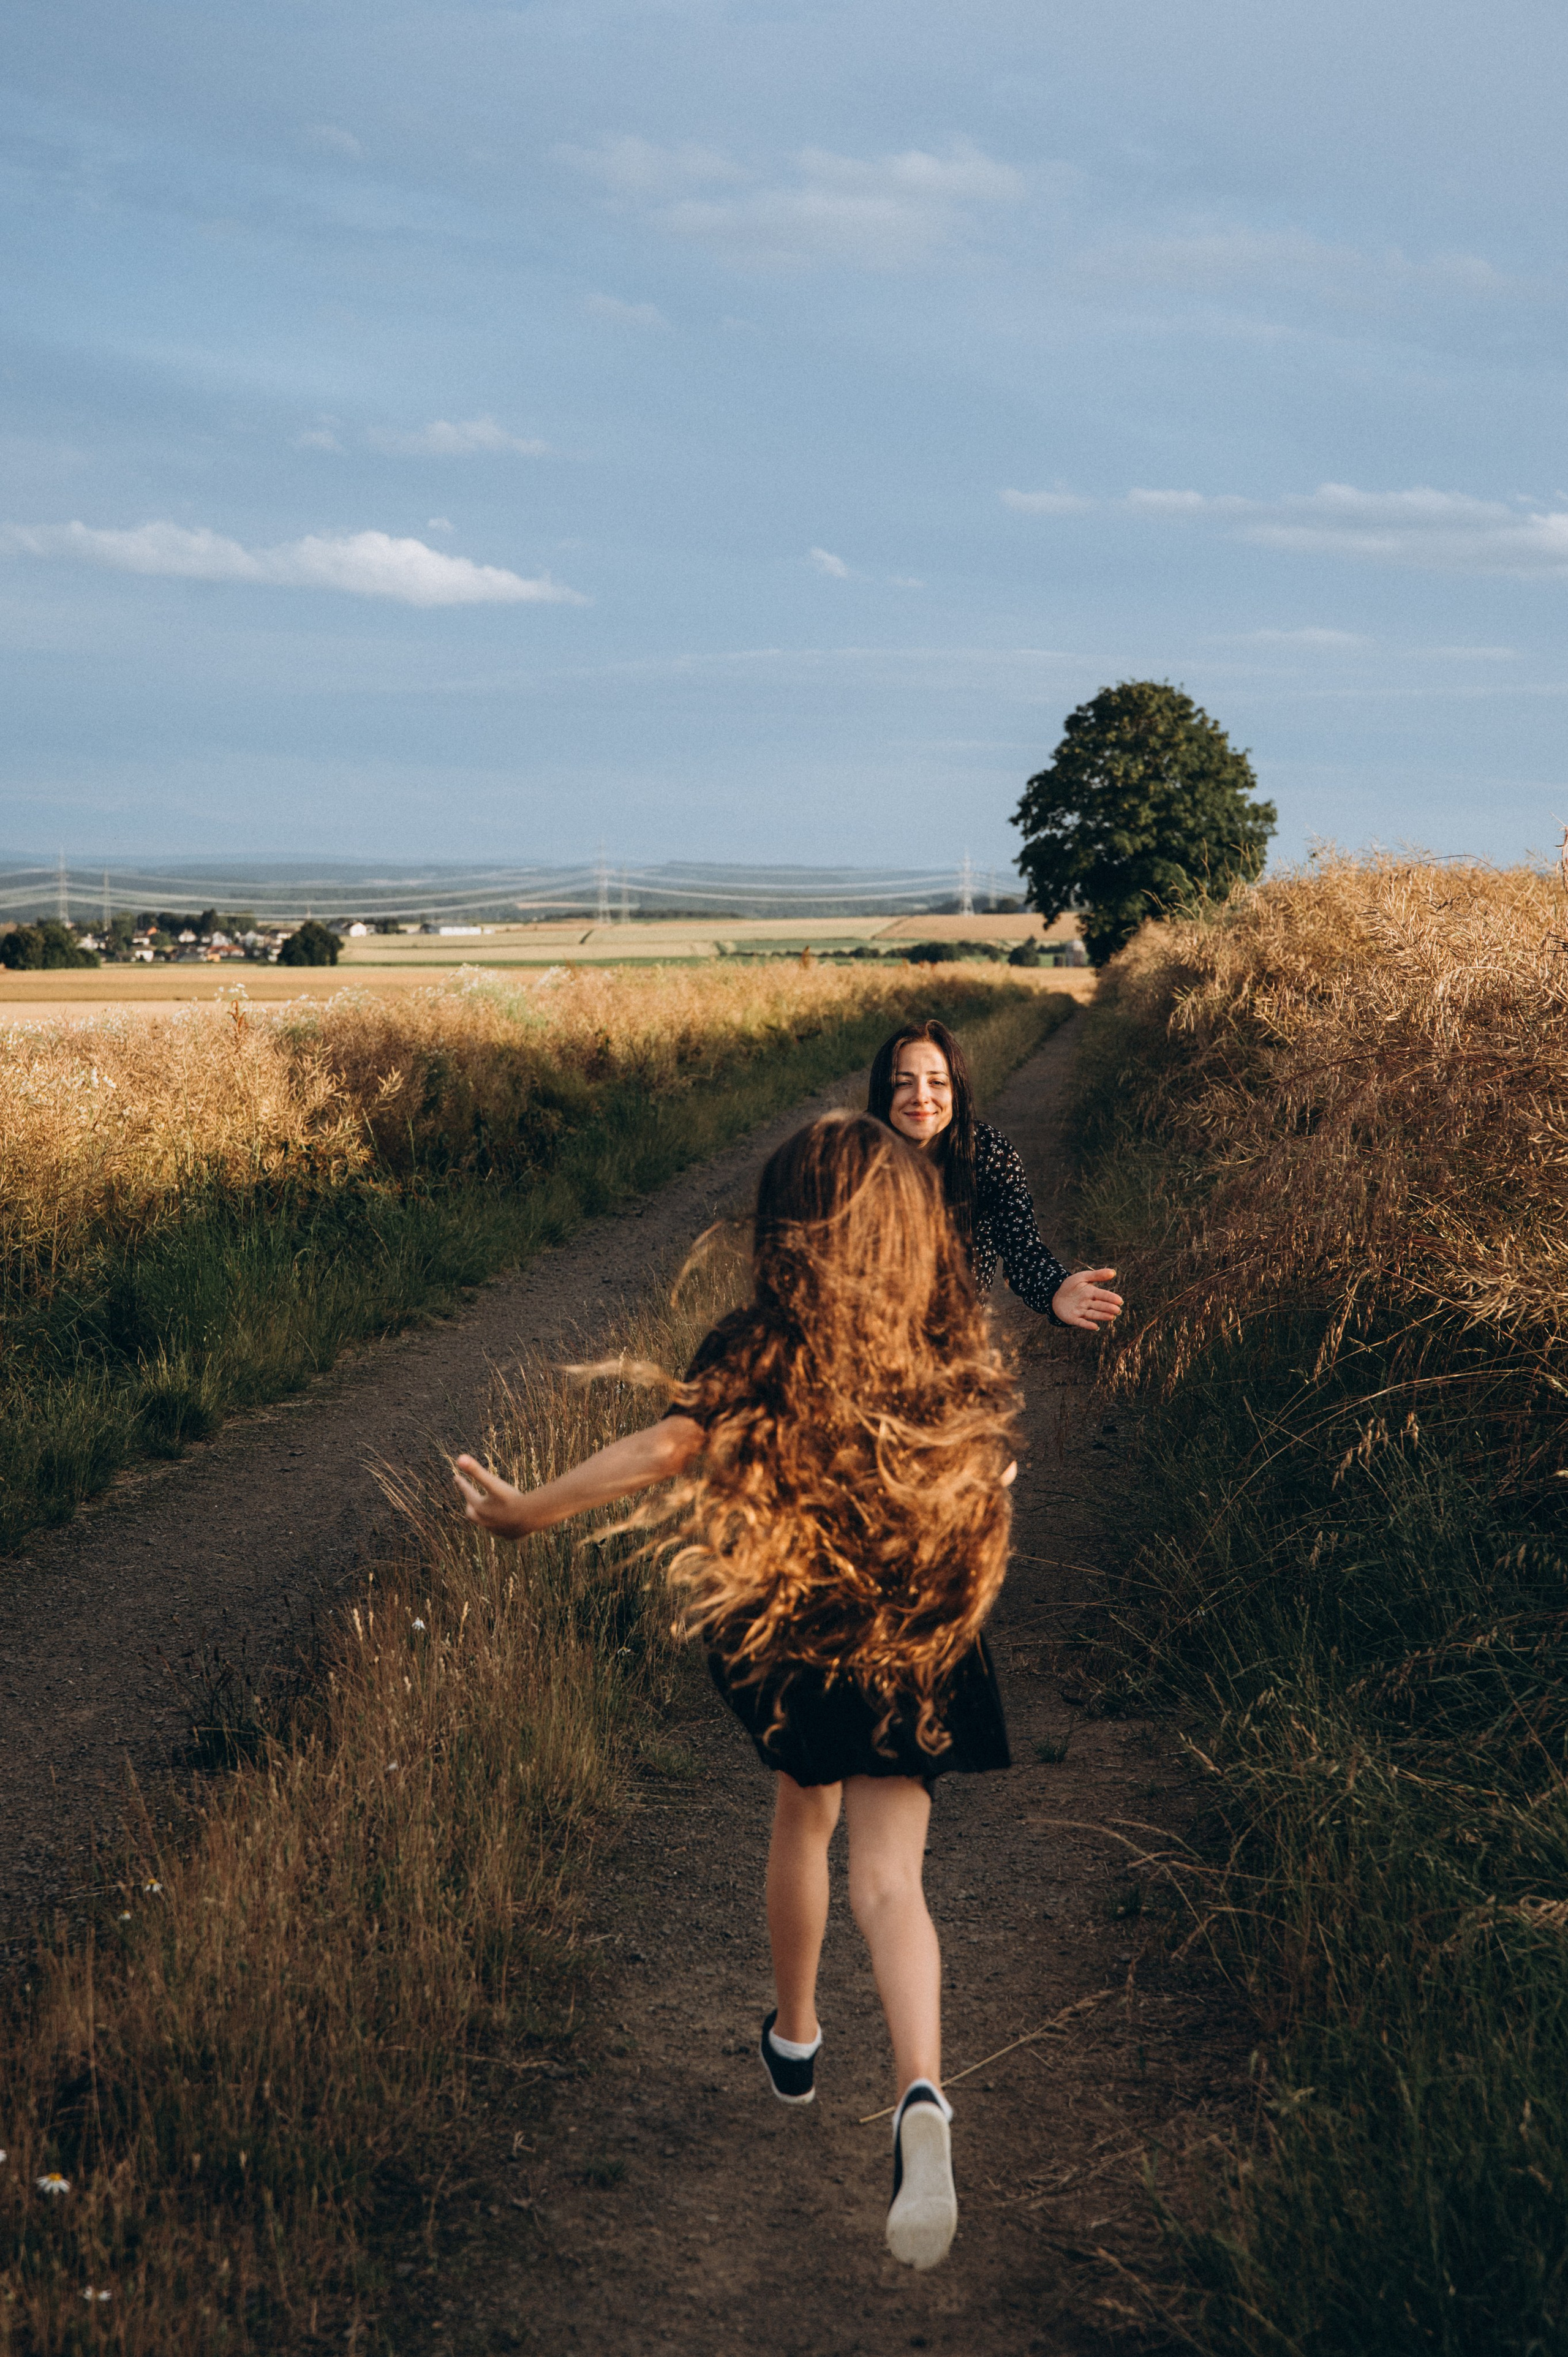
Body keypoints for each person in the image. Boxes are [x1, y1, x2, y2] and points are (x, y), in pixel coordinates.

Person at [453, 1112, 1020, 2271]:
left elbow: (668, 1448)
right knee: (893, 1884)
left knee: (801, 1822)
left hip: (804, 1637)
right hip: (917, 1634)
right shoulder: (942, 1338)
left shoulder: (760, 1341)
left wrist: (526, 1508)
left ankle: (799, 2037)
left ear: (790, 1229)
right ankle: (921, 2094)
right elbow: (991, 1467)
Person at [866, 1019, 1123, 1332]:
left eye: (937, 1082)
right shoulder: (848, 1157)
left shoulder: (986, 1152)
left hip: (953, 1348)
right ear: (882, 1092)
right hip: (862, 1346)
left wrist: (1055, 1289)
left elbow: (1020, 1245)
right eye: (902, 1082)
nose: (921, 1096)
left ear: (956, 1091)